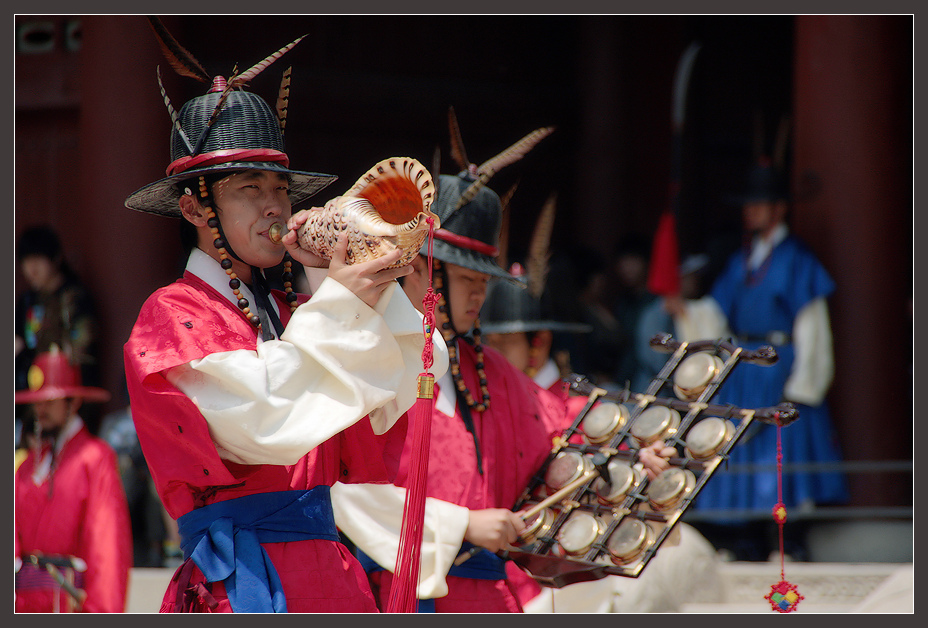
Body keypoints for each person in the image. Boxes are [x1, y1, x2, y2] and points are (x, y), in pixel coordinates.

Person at [122, 25, 446, 613]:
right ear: (194, 206)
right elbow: (264, 421)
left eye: (280, 187)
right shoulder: (170, 315)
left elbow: (396, 396)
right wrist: (341, 301)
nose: (275, 205)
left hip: (329, 572)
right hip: (245, 579)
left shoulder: (293, 310)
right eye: (249, 188)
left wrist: (370, 290)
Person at [330, 142, 675, 612]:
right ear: (421, 272)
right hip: (401, 594)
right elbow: (343, 491)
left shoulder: (489, 372)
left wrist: (634, 456)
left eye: (484, 283)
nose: (480, 296)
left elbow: (562, 433)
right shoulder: (367, 358)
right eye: (468, 281)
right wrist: (461, 526)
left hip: (491, 597)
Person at [690, 157, 849, 560]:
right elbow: (716, 311)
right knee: (741, 448)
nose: (751, 211)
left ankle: (789, 542)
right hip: (746, 368)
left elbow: (811, 322)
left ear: (779, 208)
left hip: (781, 368)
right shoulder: (741, 259)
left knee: (782, 452)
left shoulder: (798, 257)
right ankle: (743, 537)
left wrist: (804, 383)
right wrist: (683, 310)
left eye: (759, 204)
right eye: (748, 204)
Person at [14, 348, 133, 613]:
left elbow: (106, 543)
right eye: (38, 401)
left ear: (74, 402)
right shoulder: (25, 467)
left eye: (50, 401)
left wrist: (102, 611)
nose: (40, 409)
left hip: (68, 603)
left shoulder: (95, 458)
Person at [15, 225, 101, 440]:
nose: (31, 269)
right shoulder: (27, 302)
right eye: (26, 261)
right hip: (32, 396)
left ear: (55, 258)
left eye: (37, 260)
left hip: (67, 395)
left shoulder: (74, 298)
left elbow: (83, 348)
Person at [633, 253, 730, 392]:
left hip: (702, 385)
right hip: (661, 390)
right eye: (689, 277)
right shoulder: (656, 314)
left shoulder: (705, 307)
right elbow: (653, 360)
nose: (694, 281)